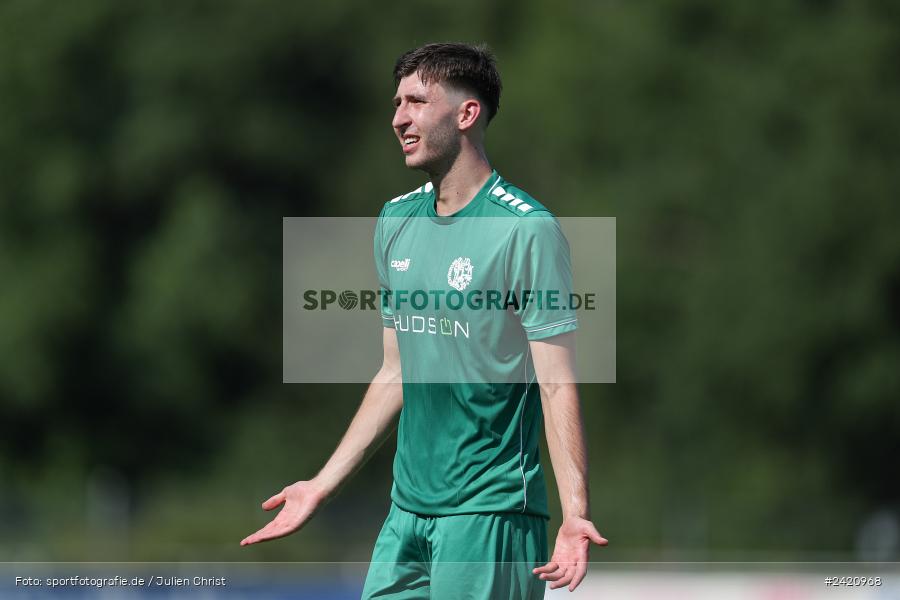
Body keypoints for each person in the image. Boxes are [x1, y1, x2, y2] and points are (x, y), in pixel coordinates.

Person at [241, 42, 607, 598]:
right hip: (406, 515)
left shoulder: (525, 229)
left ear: (467, 114)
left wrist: (575, 512)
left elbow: (557, 382)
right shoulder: (395, 220)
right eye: (396, 103)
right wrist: (320, 485)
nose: (398, 118)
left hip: (490, 511)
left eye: (416, 101)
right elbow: (395, 373)